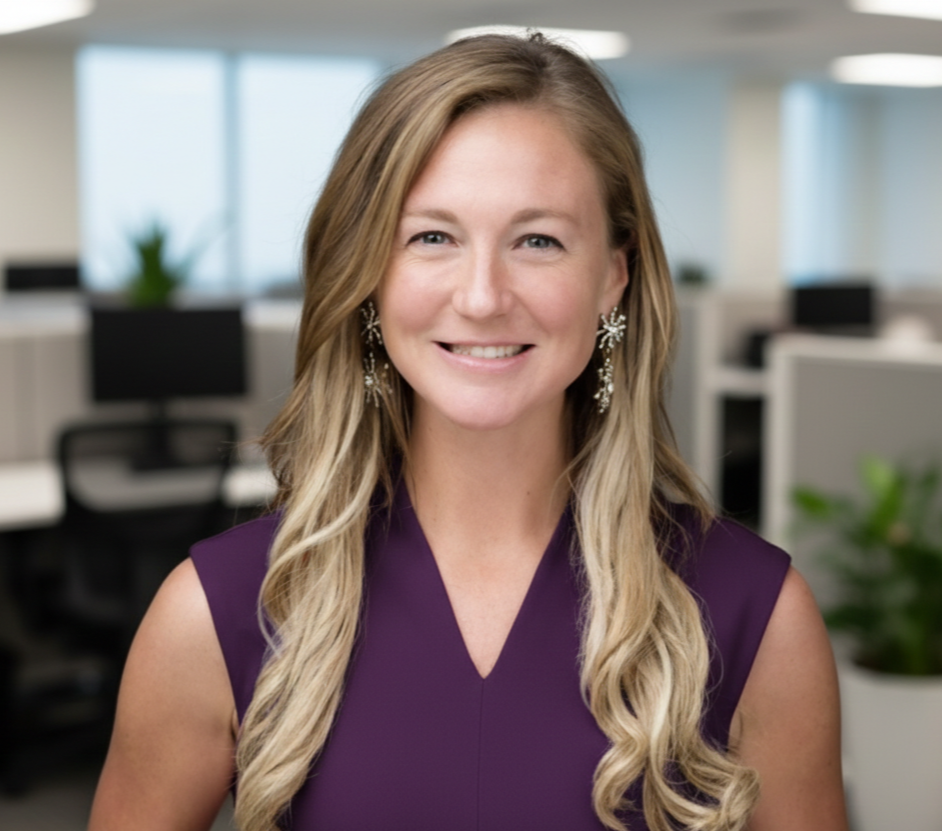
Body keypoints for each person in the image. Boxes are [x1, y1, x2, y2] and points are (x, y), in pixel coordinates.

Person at [88, 33, 848, 831]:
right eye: (432, 237)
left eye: (538, 240)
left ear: (612, 279)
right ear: (369, 276)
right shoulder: (216, 612)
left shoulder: (755, 616)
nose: (483, 296)